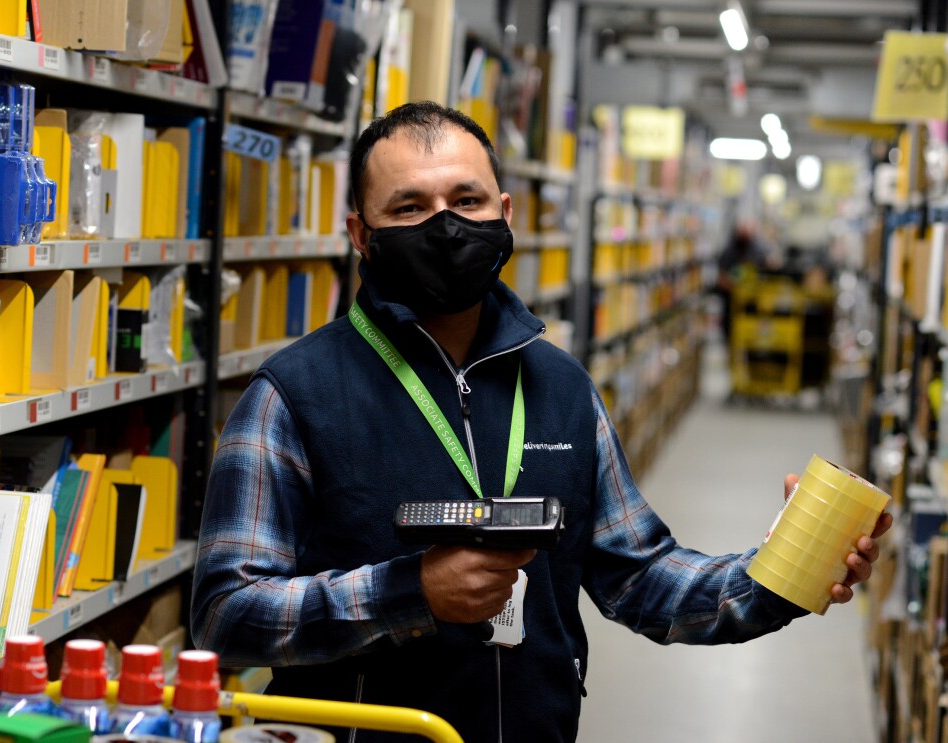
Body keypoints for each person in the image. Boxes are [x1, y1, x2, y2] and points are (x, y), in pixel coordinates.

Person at [190, 101, 891, 742]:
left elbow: (641, 577)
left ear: (503, 211)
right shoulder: (292, 395)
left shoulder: (560, 386)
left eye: (465, 200)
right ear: (359, 234)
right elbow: (226, 613)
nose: (444, 224)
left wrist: (783, 573)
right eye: (408, 207)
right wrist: (408, 593)